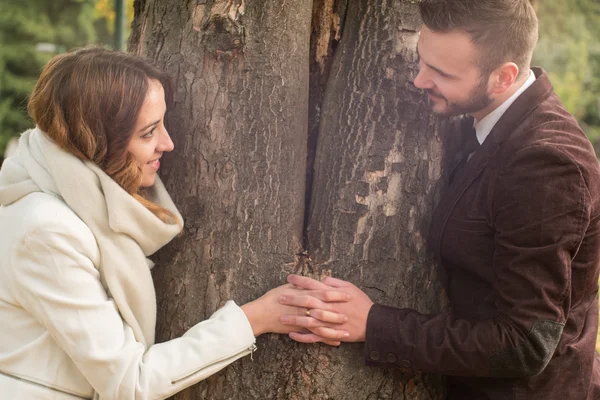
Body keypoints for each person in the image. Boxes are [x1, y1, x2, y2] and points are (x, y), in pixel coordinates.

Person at [279, 0, 600, 398]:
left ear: (503, 77)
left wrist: (374, 324)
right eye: (422, 60)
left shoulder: (545, 165)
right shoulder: (489, 119)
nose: (418, 80)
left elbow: (524, 344)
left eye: (441, 73)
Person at [0, 47, 349, 400]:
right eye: (148, 132)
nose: (168, 143)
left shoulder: (80, 204)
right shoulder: (47, 230)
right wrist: (253, 319)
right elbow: (130, 381)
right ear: (96, 140)